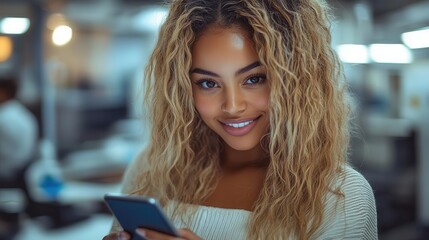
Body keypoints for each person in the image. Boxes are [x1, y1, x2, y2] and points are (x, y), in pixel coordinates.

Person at [104, 0, 378, 239]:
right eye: (208, 83)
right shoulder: (151, 168)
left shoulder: (341, 197)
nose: (233, 107)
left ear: (298, 82)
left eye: (255, 79)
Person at [0, 75, 38, 183]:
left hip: (6, 173)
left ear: (3, 92)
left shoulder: (4, 117)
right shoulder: (22, 113)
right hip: (20, 171)